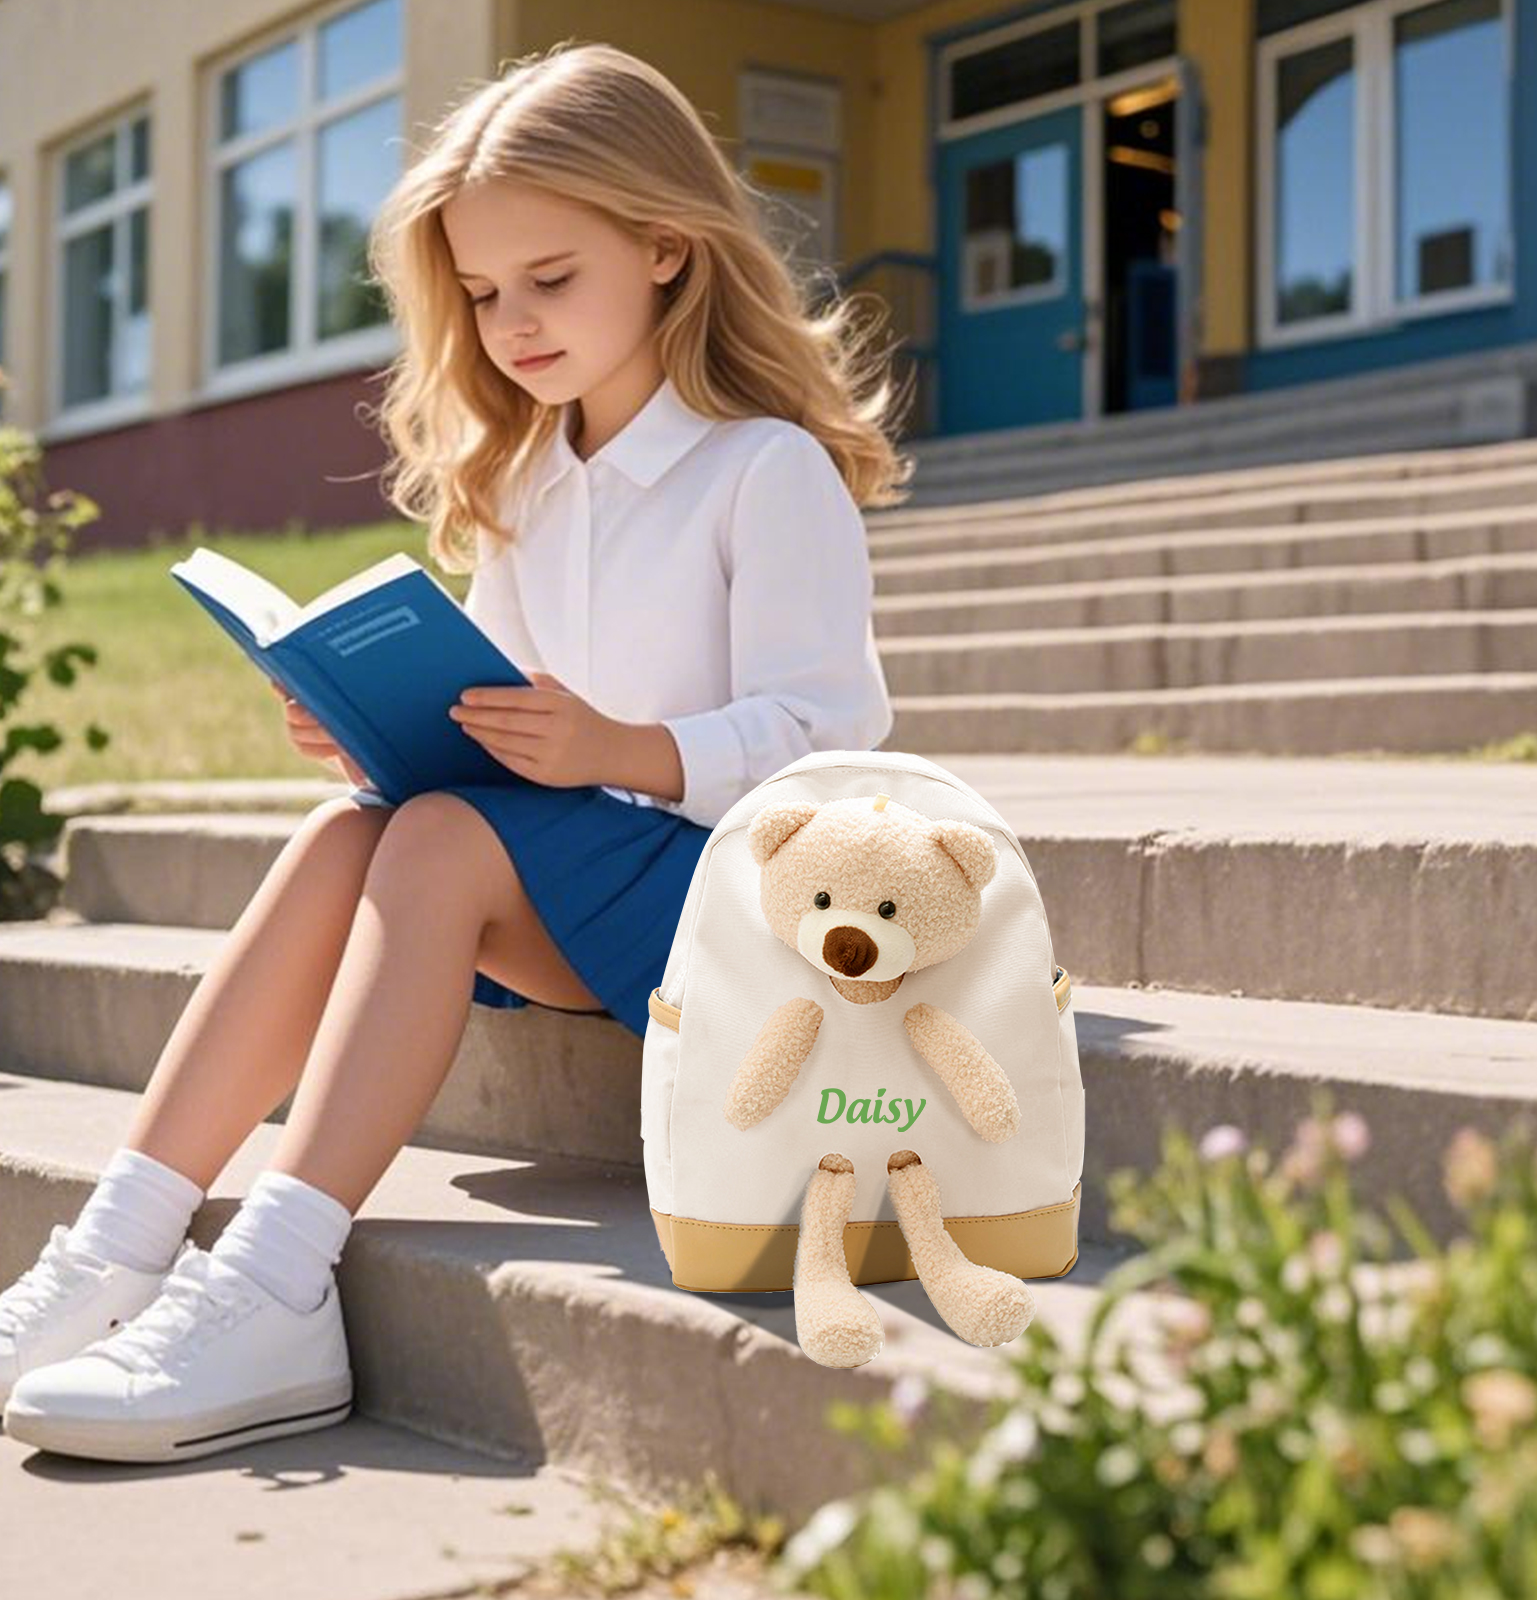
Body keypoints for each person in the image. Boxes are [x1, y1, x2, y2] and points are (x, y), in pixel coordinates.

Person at [0, 37, 908, 1463]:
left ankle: (276, 1284)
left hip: (749, 916)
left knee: (431, 839)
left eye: (551, 280)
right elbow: (489, 725)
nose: (512, 322)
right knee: (359, 829)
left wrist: (627, 745)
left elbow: (833, 736)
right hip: (579, 901)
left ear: (668, 248)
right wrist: (373, 731)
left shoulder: (763, 467)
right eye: (483, 295)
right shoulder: (529, 481)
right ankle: (114, 1247)